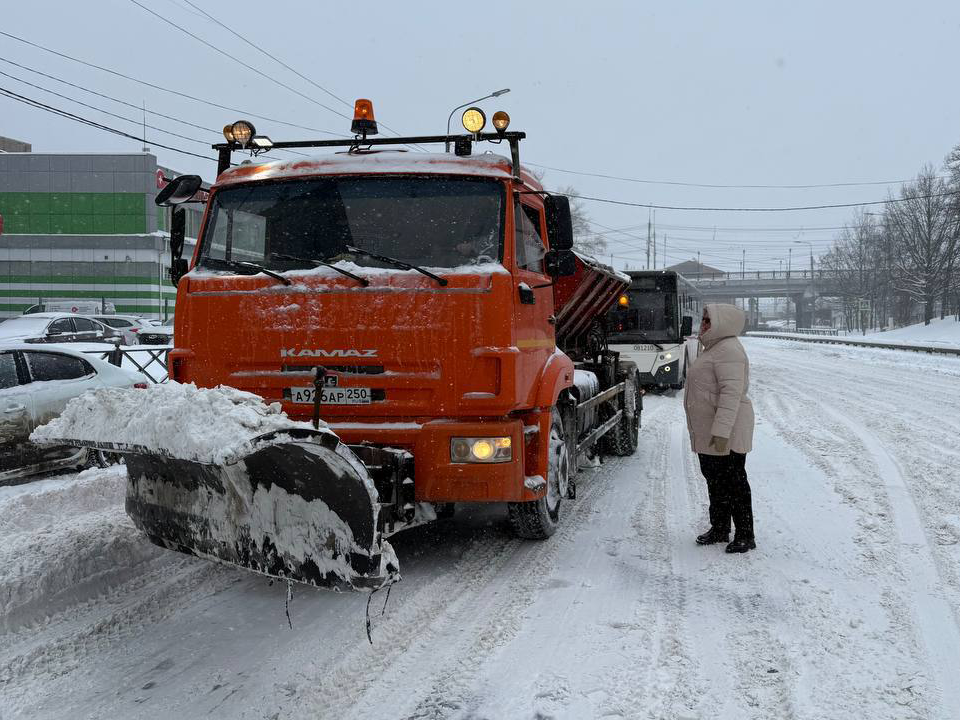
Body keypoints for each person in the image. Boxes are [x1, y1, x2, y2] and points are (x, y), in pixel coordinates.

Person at [683, 303, 756, 553]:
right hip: (711, 431)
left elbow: (731, 395)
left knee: (734, 482)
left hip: (727, 431)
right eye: (703, 320)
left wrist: (722, 432)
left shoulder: (729, 350)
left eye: (708, 321)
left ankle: (745, 535)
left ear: (722, 323)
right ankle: (720, 528)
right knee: (715, 481)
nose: (702, 325)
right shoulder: (714, 348)